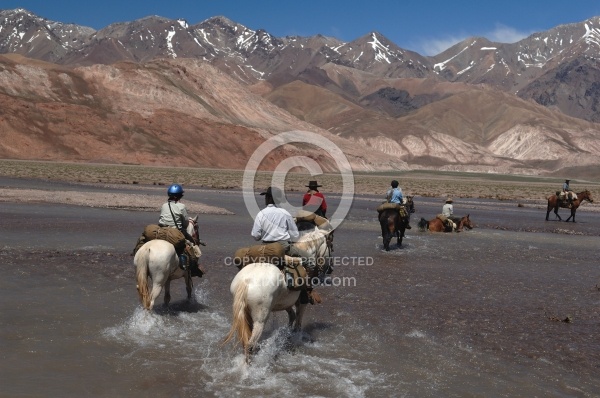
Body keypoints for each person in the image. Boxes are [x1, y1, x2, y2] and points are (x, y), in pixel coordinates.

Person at [251, 186, 316, 303]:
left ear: (270, 198)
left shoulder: (261, 214)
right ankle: (307, 290)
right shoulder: (285, 213)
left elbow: (255, 236)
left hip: (264, 248)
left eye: (266, 196)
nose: (265, 198)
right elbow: (295, 235)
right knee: (311, 260)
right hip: (283, 247)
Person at [132, 184, 202, 276]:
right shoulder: (181, 206)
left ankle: (135, 253)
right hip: (175, 231)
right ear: (180, 195)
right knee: (189, 247)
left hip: (161, 229)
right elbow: (185, 223)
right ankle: (190, 268)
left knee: (143, 239)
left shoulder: (164, 205)